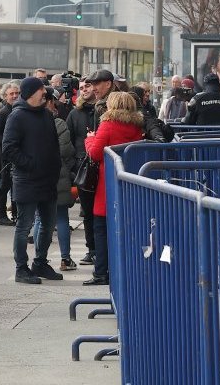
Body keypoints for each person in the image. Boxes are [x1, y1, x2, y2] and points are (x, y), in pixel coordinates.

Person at [2, 77, 64, 285]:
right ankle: (21, 268)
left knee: (48, 224)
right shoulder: (17, 116)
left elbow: (54, 146)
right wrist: (30, 164)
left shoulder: (46, 115)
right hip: (27, 180)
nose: (45, 94)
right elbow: (9, 148)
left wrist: (55, 168)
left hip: (48, 180)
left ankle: (40, 262)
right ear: (30, 93)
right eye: (41, 91)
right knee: (24, 226)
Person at [83, 92, 145, 286]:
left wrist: (89, 139)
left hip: (107, 183)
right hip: (130, 182)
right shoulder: (136, 126)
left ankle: (101, 272)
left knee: (101, 229)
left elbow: (94, 153)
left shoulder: (108, 124)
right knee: (126, 229)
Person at [66, 70, 115, 266]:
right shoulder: (75, 114)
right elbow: (68, 140)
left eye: (91, 86)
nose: (88, 89)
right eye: (84, 87)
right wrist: (72, 168)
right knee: (87, 211)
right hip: (82, 166)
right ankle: (92, 249)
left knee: (101, 211)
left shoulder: (105, 110)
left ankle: (102, 250)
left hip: (101, 165)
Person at [49, 95, 77, 273]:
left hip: (38, 175)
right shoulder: (59, 124)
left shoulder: (26, 120)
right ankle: (65, 259)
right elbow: (66, 151)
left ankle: (39, 259)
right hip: (59, 174)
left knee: (39, 219)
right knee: (61, 218)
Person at [0, 81, 22, 225]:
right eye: (11, 94)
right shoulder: (3, 113)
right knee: (4, 186)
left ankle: (15, 214)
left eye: (17, 93)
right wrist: (9, 141)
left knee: (15, 186)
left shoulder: (19, 110)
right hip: (5, 156)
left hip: (17, 154)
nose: (15, 96)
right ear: (5, 96)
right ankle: (2, 215)